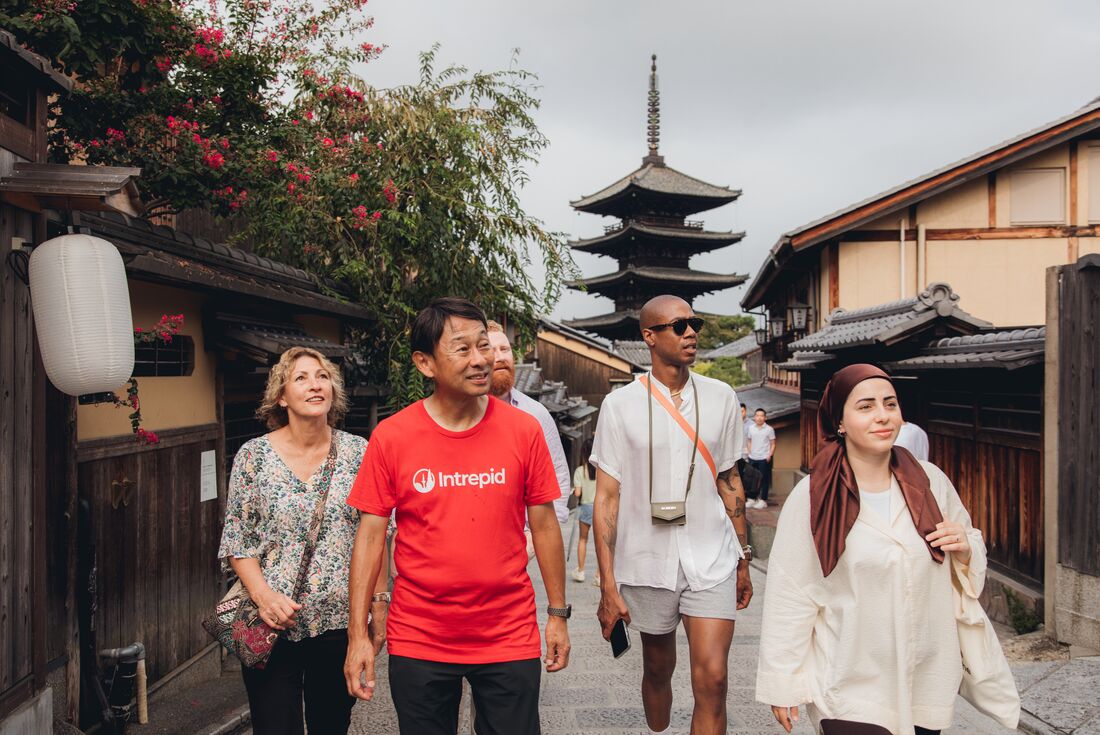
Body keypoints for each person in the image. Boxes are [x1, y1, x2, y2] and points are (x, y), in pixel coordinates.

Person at [343, 297, 570, 735]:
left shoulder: (524, 431)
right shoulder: (392, 437)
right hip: (420, 634)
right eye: (462, 349)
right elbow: (370, 537)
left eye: (484, 346)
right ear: (425, 363)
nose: (481, 360)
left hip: (508, 632)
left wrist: (557, 614)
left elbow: (543, 525)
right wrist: (358, 634)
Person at [756, 364, 987, 735]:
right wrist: (782, 682)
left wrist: (965, 546)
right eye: (865, 407)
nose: (882, 416)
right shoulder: (814, 495)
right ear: (840, 421)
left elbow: (970, 548)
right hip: (849, 678)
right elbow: (791, 591)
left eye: (890, 404)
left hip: (924, 674)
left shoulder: (931, 481)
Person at [592, 295, 753, 735]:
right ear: (649, 336)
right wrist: (607, 585)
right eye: (678, 326)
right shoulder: (620, 405)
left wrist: (744, 556)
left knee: (714, 679)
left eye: (694, 323)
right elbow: (607, 498)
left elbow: (729, 479)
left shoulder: (721, 398)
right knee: (658, 668)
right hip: (647, 560)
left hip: (711, 555)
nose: (691, 333)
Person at [217, 346, 388, 735]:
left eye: (322, 376)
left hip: (340, 623)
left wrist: (379, 608)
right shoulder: (254, 456)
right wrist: (264, 597)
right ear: (281, 396)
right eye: (301, 378)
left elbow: (378, 537)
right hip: (273, 623)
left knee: (332, 725)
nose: (315, 385)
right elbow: (238, 541)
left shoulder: (360, 453)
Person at [485, 320, 572, 546]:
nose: (500, 356)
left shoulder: (535, 414)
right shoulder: (460, 414)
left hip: (520, 540)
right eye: (490, 350)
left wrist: (533, 541)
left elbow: (558, 474)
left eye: (505, 349)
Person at [571, 438, 598, 584]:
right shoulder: (602, 470)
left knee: (583, 539)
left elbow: (577, 493)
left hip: (586, 507)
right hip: (600, 507)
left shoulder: (580, 471)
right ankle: (599, 575)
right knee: (600, 543)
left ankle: (581, 571)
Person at [745, 408, 776, 509]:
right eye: (757, 415)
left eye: (761, 415)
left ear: (765, 417)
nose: (759, 417)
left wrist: (769, 455)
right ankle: (751, 499)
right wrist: (749, 451)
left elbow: (773, 443)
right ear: (754, 417)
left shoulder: (769, 429)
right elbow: (749, 440)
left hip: (763, 457)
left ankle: (763, 500)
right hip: (752, 457)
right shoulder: (751, 428)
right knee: (751, 479)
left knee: (764, 479)